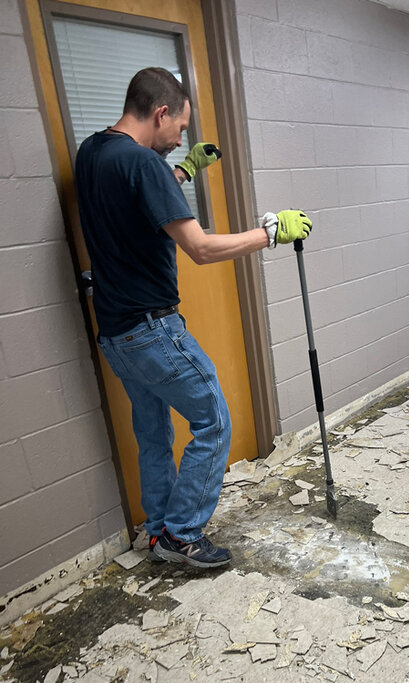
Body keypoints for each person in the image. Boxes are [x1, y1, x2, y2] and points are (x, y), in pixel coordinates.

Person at [74, 67, 311, 569]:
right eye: (180, 127)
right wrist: (270, 233)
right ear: (160, 112)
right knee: (214, 420)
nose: (182, 136)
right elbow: (200, 248)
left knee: (154, 431)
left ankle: (159, 529)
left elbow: (133, 198)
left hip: (115, 332)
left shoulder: (93, 152)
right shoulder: (145, 165)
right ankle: (183, 535)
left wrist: (183, 170)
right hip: (153, 329)